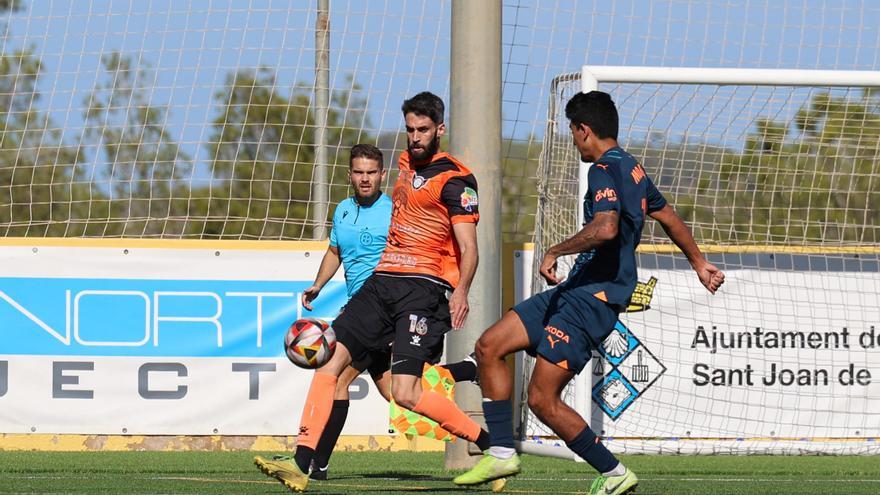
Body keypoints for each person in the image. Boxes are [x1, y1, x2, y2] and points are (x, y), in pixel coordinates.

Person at [454, 91, 725, 495]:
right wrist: (699, 262)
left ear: (584, 130)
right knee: (490, 345)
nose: (572, 140)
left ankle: (614, 473)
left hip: (592, 298)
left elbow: (606, 228)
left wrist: (555, 249)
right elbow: (668, 216)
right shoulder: (632, 167)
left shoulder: (602, 170)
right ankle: (502, 455)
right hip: (576, 288)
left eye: (572, 132)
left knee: (543, 399)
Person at [254, 92, 491, 493]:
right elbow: (336, 249)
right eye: (410, 130)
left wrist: (461, 290)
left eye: (424, 130)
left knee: (405, 393)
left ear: (440, 130)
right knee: (332, 366)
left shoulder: (456, 180)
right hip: (378, 290)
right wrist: (319, 283)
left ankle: (491, 445)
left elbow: (469, 246)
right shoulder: (396, 170)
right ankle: (302, 462)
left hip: (421, 291)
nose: (415, 137)